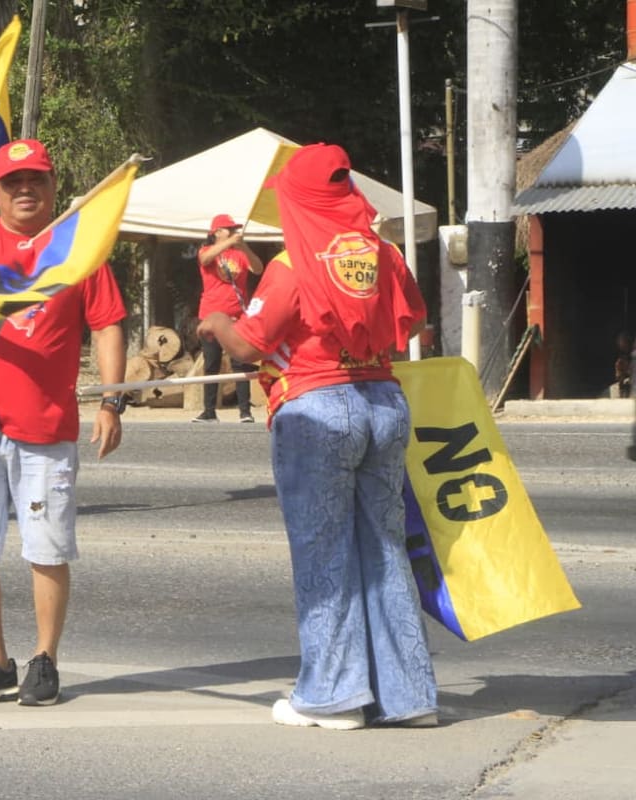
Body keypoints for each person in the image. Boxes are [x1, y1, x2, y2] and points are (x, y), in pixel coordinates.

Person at [198, 143, 438, 730]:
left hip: (317, 410)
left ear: (299, 198)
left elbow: (249, 343)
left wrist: (218, 321)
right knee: (384, 549)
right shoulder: (383, 253)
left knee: (323, 554)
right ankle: (409, 697)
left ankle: (333, 696)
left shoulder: (292, 263)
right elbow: (415, 321)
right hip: (384, 403)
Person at [0, 139, 126, 707]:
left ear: (51, 185)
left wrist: (112, 401)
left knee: (48, 547)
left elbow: (107, 324)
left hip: (45, 424)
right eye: (13, 181)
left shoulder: (79, 245)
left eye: (35, 179)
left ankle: (45, 659)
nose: (25, 189)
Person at [193, 213, 264, 423]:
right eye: (229, 229)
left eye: (234, 229)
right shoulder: (207, 250)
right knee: (211, 363)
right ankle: (209, 411)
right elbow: (204, 259)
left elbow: (258, 268)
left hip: (237, 317)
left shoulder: (239, 254)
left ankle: (245, 411)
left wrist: (244, 247)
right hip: (211, 317)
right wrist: (227, 243)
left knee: (240, 363)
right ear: (216, 232)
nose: (233, 232)